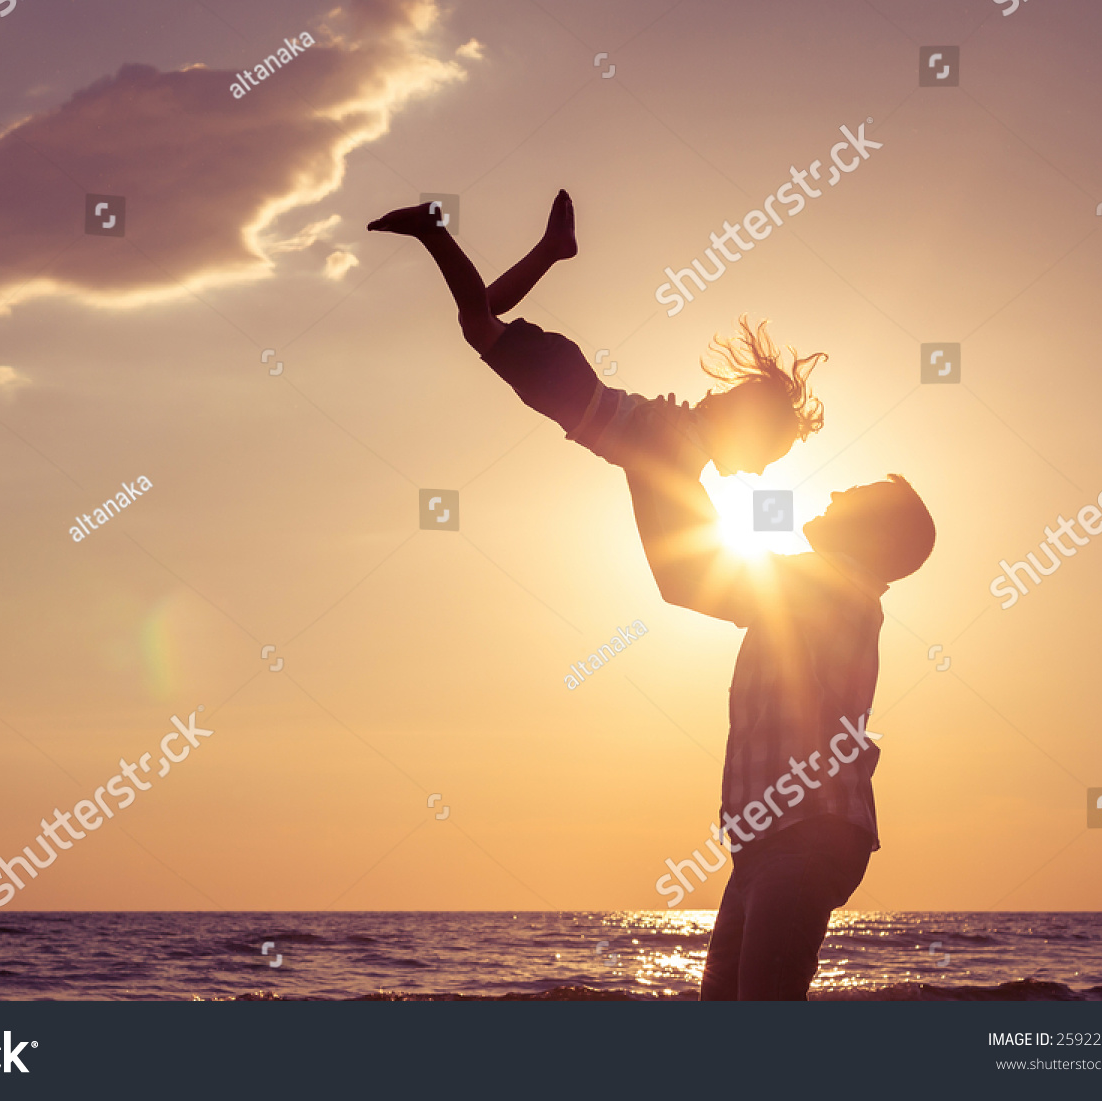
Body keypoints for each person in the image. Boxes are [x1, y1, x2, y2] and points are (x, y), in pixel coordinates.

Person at [627, 458, 936, 999]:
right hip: (771, 839)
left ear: (875, 533)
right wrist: (646, 462)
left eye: (856, 493)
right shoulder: (819, 586)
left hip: (805, 834)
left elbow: (691, 576)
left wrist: (651, 458)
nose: (838, 490)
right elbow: (685, 578)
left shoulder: (828, 584)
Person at [366, 190, 825, 478]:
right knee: (475, 324)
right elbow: (660, 450)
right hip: (571, 395)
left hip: (574, 385)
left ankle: (552, 249)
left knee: (483, 311)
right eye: (758, 461)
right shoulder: (689, 455)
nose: (755, 472)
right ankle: (433, 230)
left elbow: (660, 429)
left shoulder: (695, 438)